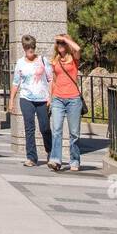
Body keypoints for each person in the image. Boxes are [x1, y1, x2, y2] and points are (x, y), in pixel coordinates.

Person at [8, 34, 53, 167]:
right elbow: (16, 82)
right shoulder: (20, 63)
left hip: (42, 99)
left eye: (32, 48)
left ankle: (50, 152)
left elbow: (51, 79)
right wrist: (11, 100)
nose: (30, 51)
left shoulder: (43, 60)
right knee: (29, 128)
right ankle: (31, 157)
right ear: (24, 48)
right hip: (26, 98)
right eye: (28, 48)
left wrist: (50, 96)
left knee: (45, 127)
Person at [48, 32, 84, 172]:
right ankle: (55, 160)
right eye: (58, 43)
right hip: (58, 98)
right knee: (56, 130)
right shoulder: (55, 60)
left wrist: (66, 39)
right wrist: (50, 98)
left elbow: (78, 49)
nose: (60, 45)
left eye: (62, 43)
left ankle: (74, 160)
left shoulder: (74, 59)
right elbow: (54, 80)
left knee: (74, 133)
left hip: (73, 99)